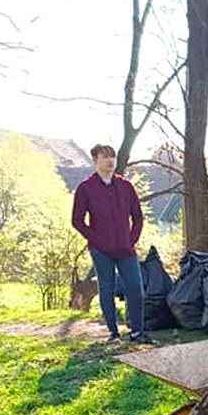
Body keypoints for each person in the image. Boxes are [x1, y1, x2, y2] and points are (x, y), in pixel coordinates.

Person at [71, 144, 151, 344]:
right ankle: (113, 333)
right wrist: (97, 240)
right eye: (105, 157)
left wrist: (131, 239)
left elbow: (138, 218)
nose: (110, 161)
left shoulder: (125, 186)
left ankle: (136, 332)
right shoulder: (86, 188)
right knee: (106, 289)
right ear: (95, 160)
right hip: (101, 250)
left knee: (135, 288)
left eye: (112, 157)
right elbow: (77, 220)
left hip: (126, 249)